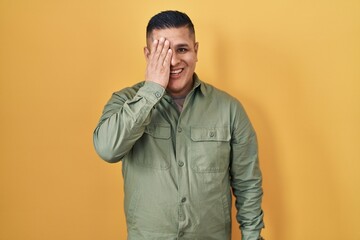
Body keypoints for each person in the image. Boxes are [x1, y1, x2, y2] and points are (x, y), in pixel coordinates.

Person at [93, 10, 264, 240]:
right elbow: (107, 149)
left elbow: (248, 184)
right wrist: (152, 90)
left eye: (182, 49)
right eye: (161, 52)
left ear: (196, 51)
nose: (173, 61)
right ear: (147, 55)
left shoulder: (230, 109)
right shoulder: (124, 102)